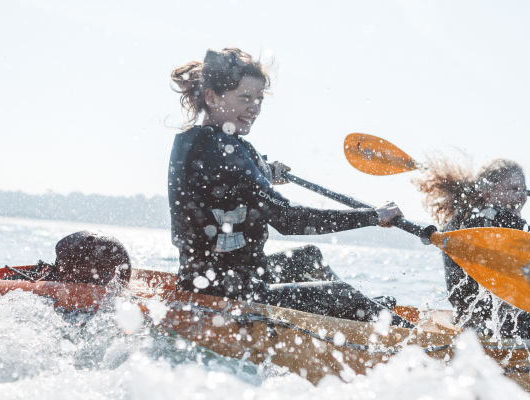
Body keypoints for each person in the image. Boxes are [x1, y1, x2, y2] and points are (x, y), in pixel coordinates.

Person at [168, 48, 407, 324]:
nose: (254, 109)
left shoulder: (198, 142)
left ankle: (353, 314)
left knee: (308, 258)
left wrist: (265, 171)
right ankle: (412, 341)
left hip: (209, 282)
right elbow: (288, 219)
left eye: (258, 100)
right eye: (244, 98)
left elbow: (231, 179)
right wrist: (372, 216)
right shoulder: (226, 152)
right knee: (341, 293)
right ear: (211, 96)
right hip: (230, 297)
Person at [415, 157, 530, 339]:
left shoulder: (458, 223)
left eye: (523, 190)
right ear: (487, 194)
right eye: (513, 189)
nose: (522, 197)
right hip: (505, 328)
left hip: (471, 324)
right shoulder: (500, 220)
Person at [3, 231, 132, 285]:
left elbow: (125, 278)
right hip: (71, 247)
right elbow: (63, 271)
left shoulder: (117, 253)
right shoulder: (66, 250)